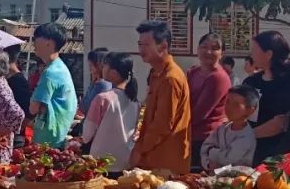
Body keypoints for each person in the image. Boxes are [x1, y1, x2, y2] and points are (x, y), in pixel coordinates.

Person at [129, 20, 191, 175]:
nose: (141, 49)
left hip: (165, 163)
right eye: (140, 44)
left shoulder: (170, 78)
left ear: (163, 46)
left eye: (146, 45)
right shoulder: (157, 74)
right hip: (155, 158)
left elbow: (162, 124)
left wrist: (140, 149)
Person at [81, 52, 140, 176]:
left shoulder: (102, 99)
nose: (102, 68)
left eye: (105, 66)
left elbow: (87, 134)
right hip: (125, 161)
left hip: (101, 162)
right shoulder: (135, 102)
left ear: (113, 72)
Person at [243, 30, 290, 165]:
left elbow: (280, 123)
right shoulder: (251, 82)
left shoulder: (286, 82)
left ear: (268, 54)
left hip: (281, 155)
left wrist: (247, 136)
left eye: (254, 50)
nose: (251, 54)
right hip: (253, 151)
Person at [187, 33, 232, 168]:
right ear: (197, 49)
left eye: (215, 48)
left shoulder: (218, 78)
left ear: (222, 53)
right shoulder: (193, 72)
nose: (208, 51)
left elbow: (200, 114)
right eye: (204, 46)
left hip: (205, 138)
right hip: (188, 134)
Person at [30, 23, 78, 148]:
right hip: (57, 136)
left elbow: (33, 108)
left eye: (37, 38)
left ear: (48, 42)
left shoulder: (50, 73)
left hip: (47, 139)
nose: (33, 42)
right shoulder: (60, 68)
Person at [200, 85, 259, 171]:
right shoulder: (222, 129)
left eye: (236, 104)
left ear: (250, 110)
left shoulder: (247, 136)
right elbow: (204, 147)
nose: (229, 107)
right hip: (213, 176)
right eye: (227, 102)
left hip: (236, 181)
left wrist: (211, 151)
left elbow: (227, 159)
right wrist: (208, 164)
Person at [4, 45, 32, 147]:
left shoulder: (19, 82)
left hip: (14, 140)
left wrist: (14, 130)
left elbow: (29, 113)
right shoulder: (5, 80)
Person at [78, 49, 112, 118]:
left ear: (99, 65)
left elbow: (86, 107)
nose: (89, 68)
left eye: (91, 65)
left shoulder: (102, 85)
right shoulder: (98, 82)